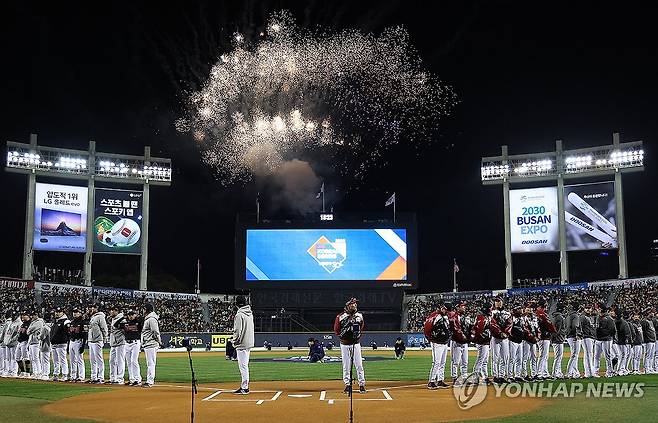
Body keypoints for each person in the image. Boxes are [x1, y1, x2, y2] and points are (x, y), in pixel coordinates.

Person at [334, 297, 366, 394]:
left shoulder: (359, 316)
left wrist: (358, 334)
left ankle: (361, 384)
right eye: (353, 304)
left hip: (355, 344)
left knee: (359, 365)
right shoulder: (340, 316)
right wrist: (345, 331)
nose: (355, 305)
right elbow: (336, 330)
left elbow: (362, 327)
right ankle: (347, 384)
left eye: (355, 304)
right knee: (346, 365)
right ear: (348, 306)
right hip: (344, 344)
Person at [424, 303, 451, 389]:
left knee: (443, 362)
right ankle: (431, 381)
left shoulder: (446, 317)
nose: (444, 311)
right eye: (444, 309)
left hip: (444, 342)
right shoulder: (435, 316)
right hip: (437, 343)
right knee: (437, 362)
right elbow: (427, 328)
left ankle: (440, 380)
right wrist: (430, 338)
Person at [231, 295, 254, 394]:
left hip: (242, 343)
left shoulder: (239, 314)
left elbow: (237, 331)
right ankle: (245, 386)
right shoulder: (250, 313)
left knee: (243, 366)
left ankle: (245, 387)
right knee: (245, 365)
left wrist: (234, 341)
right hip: (249, 342)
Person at [490, 296, 512, 384]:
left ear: (502, 302)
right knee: (495, 358)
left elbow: (510, 324)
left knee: (505, 357)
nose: (498, 303)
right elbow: (492, 324)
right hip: (495, 337)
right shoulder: (492, 313)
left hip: (505, 338)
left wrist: (506, 333)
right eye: (496, 301)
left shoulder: (507, 313)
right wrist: (500, 333)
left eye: (499, 301)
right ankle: (495, 376)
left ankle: (502, 376)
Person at [471, 302, 493, 385]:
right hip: (482, 341)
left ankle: (485, 377)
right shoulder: (481, 317)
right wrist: (478, 339)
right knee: (481, 360)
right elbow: (479, 330)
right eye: (490, 308)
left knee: (485, 361)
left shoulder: (485, 316)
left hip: (485, 341)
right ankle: (475, 378)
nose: (491, 309)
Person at [447, 301, 469, 381]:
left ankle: (464, 377)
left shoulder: (464, 317)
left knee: (465, 362)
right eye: (462, 306)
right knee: (455, 362)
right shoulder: (454, 317)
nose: (464, 307)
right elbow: (455, 329)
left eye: (464, 306)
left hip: (464, 342)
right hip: (456, 342)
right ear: (458, 307)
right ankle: (455, 378)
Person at [141, 303, 162, 388]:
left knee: (151, 363)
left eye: (143, 309)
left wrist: (159, 341)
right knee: (150, 363)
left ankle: (150, 381)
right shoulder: (148, 319)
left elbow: (155, 332)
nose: (142, 310)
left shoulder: (151, 319)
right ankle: (149, 380)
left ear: (147, 309)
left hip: (151, 343)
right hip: (148, 343)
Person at [87, 303, 108, 384]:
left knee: (99, 359)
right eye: (91, 307)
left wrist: (104, 338)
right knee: (92, 360)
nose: (91, 309)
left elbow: (104, 328)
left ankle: (100, 377)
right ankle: (93, 377)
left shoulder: (100, 317)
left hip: (97, 340)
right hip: (91, 341)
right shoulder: (92, 317)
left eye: (93, 307)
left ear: (97, 308)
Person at [535, 299, 556, 379]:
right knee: (543, 355)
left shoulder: (538, 313)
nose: (546, 306)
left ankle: (545, 373)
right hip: (543, 336)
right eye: (545, 305)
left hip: (543, 336)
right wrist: (553, 330)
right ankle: (539, 373)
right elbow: (549, 324)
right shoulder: (540, 313)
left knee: (545, 356)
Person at [121, 309, 142, 386]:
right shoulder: (125, 322)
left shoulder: (138, 322)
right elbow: (115, 325)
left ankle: (138, 379)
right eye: (129, 315)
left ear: (135, 315)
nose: (130, 316)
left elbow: (141, 325)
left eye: (132, 315)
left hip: (135, 343)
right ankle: (132, 379)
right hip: (127, 343)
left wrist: (137, 318)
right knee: (129, 362)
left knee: (134, 361)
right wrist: (122, 317)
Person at [594, 305, 617, 377]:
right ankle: (595, 371)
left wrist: (609, 336)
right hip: (598, 339)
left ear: (602, 310)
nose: (598, 310)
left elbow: (613, 330)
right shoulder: (598, 317)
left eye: (599, 308)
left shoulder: (609, 319)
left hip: (606, 340)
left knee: (607, 356)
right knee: (596, 356)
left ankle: (609, 372)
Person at [50, 307, 71, 381]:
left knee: (62, 360)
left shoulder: (65, 321)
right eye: (56, 311)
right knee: (55, 360)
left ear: (63, 313)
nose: (57, 313)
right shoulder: (55, 321)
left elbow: (68, 333)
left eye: (59, 311)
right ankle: (56, 375)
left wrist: (68, 343)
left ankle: (65, 375)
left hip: (61, 343)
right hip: (54, 344)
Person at [108, 305, 127, 384]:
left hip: (120, 342)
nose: (111, 311)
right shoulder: (112, 319)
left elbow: (125, 331)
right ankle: (113, 378)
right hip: (113, 343)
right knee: (111, 361)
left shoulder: (122, 320)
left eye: (113, 310)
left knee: (120, 361)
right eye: (111, 310)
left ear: (117, 311)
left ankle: (120, 378)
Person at [68, 308, 87, 382]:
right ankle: (73, 376)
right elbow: (70, 334)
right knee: (72, 360)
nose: (75, 313)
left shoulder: (83, 322)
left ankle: (81, 377)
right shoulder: (72, 322)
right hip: (71, 342)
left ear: (80, 313)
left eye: (76, 312)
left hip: (78, 342)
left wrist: (83, 345)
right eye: (74, 312)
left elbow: (85, 334)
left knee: (79, 360)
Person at [565, 302, 583, 378]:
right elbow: (575, 326)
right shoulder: (575, 315)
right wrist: (577, 335)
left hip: (569, 336)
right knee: (574, 355)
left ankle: (575, 373)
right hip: (574, 336)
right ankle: (568, 373)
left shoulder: (568, 315)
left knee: (574, 355)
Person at [509, 305, 525, 381]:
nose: (521, 311)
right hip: (513, 341)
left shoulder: (521, 319)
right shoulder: (512, 318)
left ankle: (517, 375)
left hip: (520, 341)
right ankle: (510, 376)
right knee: (512, 359)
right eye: (519, 309)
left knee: (519, 359)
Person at [27, 310, 45, 379]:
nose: (33, 316)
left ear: (37, 315)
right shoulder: (32, 322)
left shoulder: (40, 322)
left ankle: (39, 372)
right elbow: (28, 331)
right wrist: (30, 330)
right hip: (31, 342)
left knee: (36, 358)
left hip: (36, 342)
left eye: (35, 315)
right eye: (33, 315)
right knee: (32, 358)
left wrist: (31, 329)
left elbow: (31, 329)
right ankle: (35, 372)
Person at [580, 304, 597, 378]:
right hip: (586, 337)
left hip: (591, 337)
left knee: (590, 354)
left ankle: (591, 372)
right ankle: (589, 373)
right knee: (588, 354)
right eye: (586, 308)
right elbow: (579, 326)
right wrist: (580, 334)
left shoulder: (591, 317)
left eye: (589, 308)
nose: (587, 309)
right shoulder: (582, 317)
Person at [551, 302, 566, 379]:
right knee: (558, 357)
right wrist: (559, 336)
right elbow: (558, 329)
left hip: (555, 339)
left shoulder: (554, 316)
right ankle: (555, 373)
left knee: (558, 357)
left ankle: (558, 372)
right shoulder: (559, 317)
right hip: (558, 339)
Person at [3, 312, 21, 377]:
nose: (13, 316)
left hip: (14, 343)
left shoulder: (19, 323)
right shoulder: (10, 322)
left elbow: (18, 334)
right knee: (8, 358)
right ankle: (9, 371)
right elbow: (7, 333)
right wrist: (6, 340)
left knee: (14, 358)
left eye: (14, 315)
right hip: (8, 343)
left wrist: (12, 340)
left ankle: (14, 372)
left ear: (17, 316)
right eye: (12, 315)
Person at [641, 308, 656, 374]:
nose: (652, 314)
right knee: (648, 355)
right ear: (648, 313)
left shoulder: (651, 321)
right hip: (648, 340)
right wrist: (644, 340)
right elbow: (643, 331)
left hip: (652, 340)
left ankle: (650, 368)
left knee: (652, 355)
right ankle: (646, 368)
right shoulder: (644, 321)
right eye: (651, 312)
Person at [0, 312, 10, 377]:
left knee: (4, 358)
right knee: (5, 358)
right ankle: (4, 370)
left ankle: (4, 371)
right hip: (5, 343)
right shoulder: (9, 323)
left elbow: (3, 334)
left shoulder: (6, 323)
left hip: (3, 343)